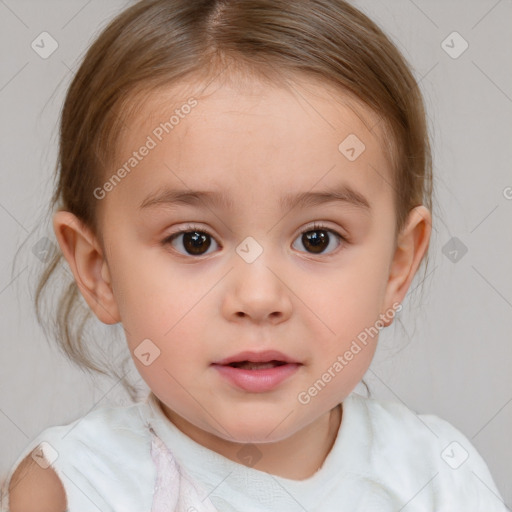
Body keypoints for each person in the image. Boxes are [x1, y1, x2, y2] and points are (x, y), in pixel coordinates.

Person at [1, 0, 507, 510]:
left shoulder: (440, 476)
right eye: (194, 240)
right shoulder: (76, 486)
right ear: (98, 270)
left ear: (397, 268)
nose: (259, 297)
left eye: (317, 239)